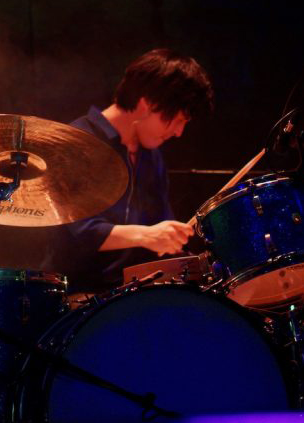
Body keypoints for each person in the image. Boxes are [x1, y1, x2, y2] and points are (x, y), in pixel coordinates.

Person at [54, 48, 214, 301]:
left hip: (136, 294)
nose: (179, 132)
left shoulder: (151, 154)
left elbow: (161, 223)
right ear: (147, 103)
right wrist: (149, 235)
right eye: (178, 120)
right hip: (78, 296)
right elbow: (83, 232)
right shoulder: (78, 142)